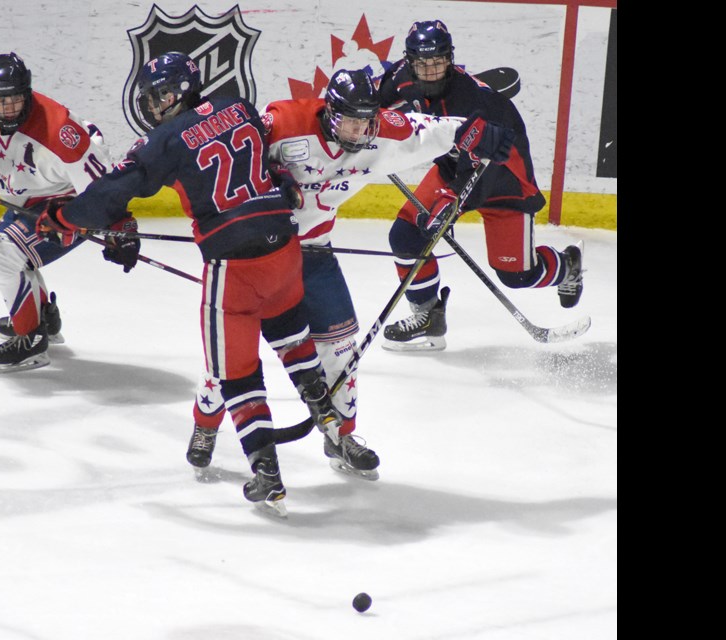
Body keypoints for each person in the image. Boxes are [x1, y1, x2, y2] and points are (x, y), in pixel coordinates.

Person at [36, 52, 345, 517]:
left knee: (236, 373)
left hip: (233, 263)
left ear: (184, 88)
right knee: (290, 330)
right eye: (152, 96)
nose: (156, 104)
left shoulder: (162, 140)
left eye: (162, 93)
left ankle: (268, 473)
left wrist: (62, 216)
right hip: (284, 247)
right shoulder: (239, 106)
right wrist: (281, 187)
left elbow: (108, 195)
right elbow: (267, 159)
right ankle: (323, 406)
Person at [186, 68, 514, 480]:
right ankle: (206, 423)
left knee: (341, 349)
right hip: (256, 254)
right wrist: (273, 180)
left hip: (315, 254)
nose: (360, 132)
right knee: (233, 355)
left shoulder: (383, 133)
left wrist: (477, 133)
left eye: (367, 121)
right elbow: (235, 155)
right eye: (350, 121)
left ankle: (341, 436)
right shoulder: (284, 122)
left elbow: (433, 130)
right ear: (329, 112)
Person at [377, 20, 583, 352]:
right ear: (410, 61)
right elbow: (373, 99)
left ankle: (568, 265)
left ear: (450, 59)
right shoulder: (403, 77)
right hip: (453, 170)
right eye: (422, 63)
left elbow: (483, 169)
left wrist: (450, 203)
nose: (430, 70)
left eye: (438, 62)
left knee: (516, 276)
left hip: (503, 183)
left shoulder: (473, 101)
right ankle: (429, 317)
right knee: (405, 235)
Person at [0, 52, 131, 373]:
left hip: (68, 203)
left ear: (27, 94)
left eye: (15, 99)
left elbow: (102, 188)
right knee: (11, 254)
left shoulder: (59, 131)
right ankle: (44, 321)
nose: (9, 108)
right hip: (25, 201)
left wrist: (117, 228)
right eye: (0, 102)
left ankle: (31, 343)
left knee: (2, 255)